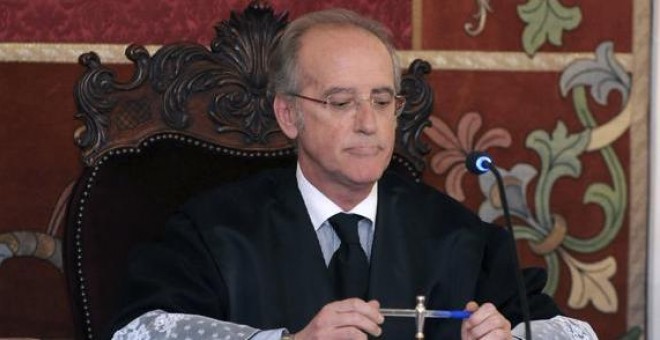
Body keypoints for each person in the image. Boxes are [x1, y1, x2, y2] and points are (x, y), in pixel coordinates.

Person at [109, 8, 597, 340]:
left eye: (382, 101)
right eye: (341, 102)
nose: (368, 123)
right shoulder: (211, 232)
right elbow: (141, 331)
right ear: (288, 114)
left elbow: (574, 333)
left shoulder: (460, 237)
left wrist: (510, 337)